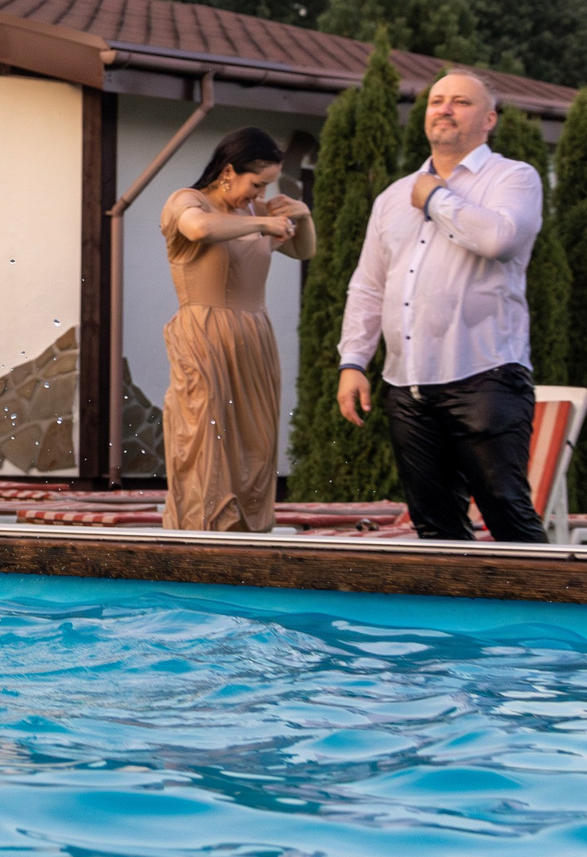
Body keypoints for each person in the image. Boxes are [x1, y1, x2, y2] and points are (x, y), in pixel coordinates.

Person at [336, 68, 547, 542]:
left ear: (489, 118)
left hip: (486, 375)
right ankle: (456, 619)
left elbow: (498, 239)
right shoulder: (392, 197)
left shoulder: (513, 178)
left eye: (460, 102)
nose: (444, 109)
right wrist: (353, 361)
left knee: (507, 513)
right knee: (434, 526)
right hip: (406, 385)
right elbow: (369, 285)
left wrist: (435, 198)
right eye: (436, 101)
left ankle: (553, 615)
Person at [159, 127, 315, 532]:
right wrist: (263, 225)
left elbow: (304, 250)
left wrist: (303, 214)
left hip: (253, 339)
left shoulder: (253, 212)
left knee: (255, 446)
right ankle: (199, 536)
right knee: (203, 439)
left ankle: (249, 537)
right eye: (256, 183)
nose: (259, 193)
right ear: (229, 170)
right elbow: (199, 229)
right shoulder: (187, 201)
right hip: (203, 335)